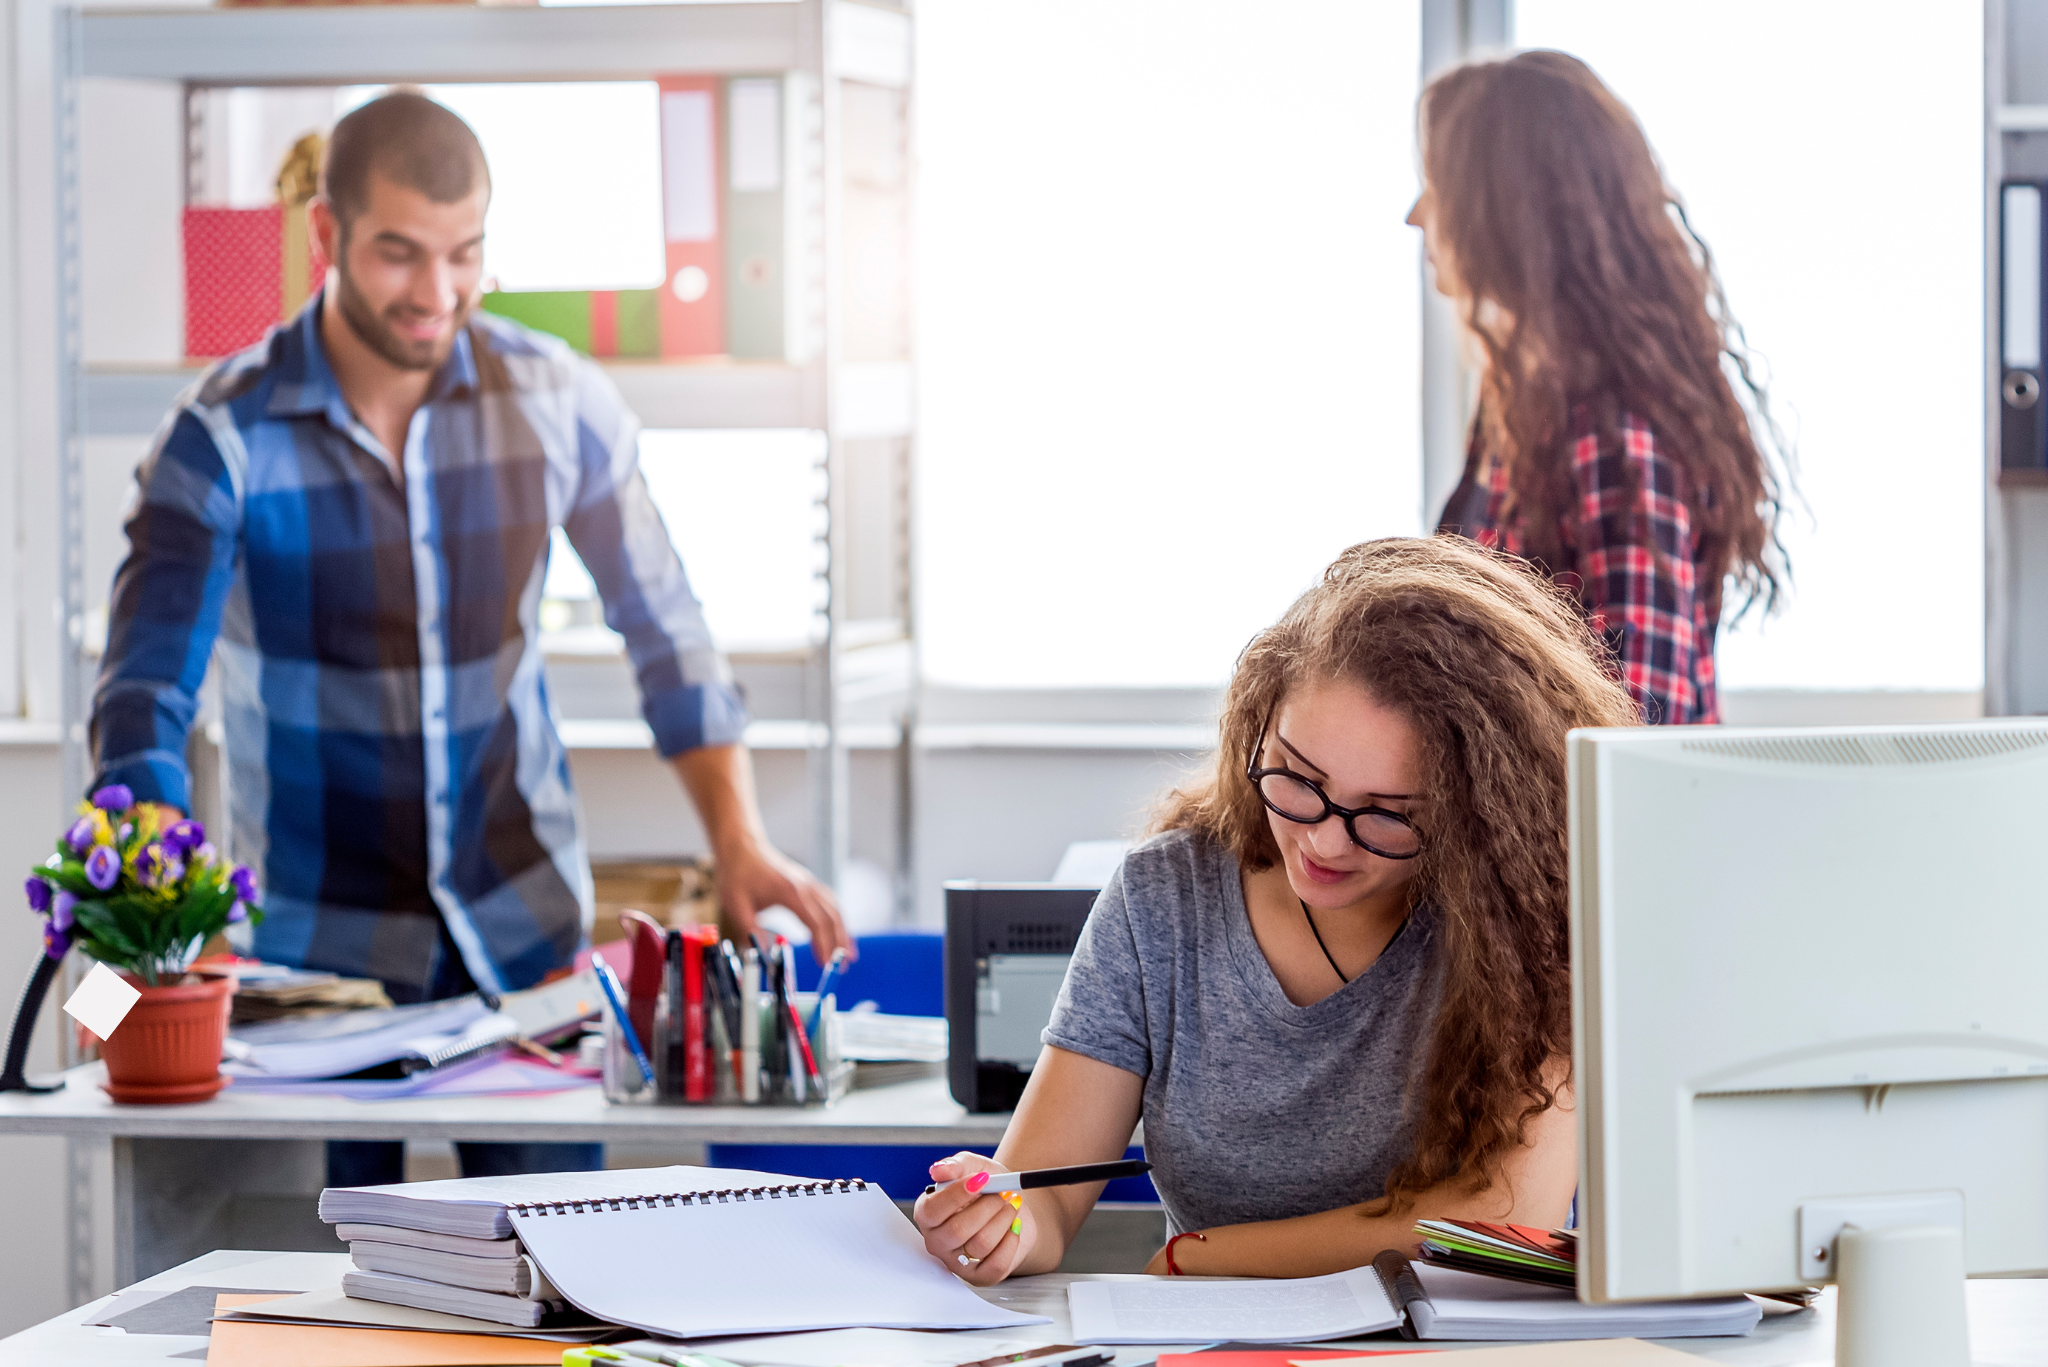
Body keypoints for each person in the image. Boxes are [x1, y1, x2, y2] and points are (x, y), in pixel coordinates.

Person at [87, 92, 846, 1184]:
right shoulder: (219, 439)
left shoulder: (556, 400)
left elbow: (666, 631)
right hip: (314, 958)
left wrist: (735, 836)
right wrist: (149, 917)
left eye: (464, 255)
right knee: (334, 1308)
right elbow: (145, 696)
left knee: (556, 1290)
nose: (435, 293)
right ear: (328, 236)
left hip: (523, 934)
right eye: (399, 254)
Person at [914, 536, 1637, 1281]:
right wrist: (999, 1221)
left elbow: (1508, 1214)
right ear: (1256, 726)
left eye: (1387, 813)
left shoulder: (1538, 920)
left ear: (1478, 816)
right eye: (1298, 777)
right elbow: (1043, 1197)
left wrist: (1203, 1254)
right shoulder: (1162, 900)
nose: (1323, 840)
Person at [1413, 50, 1792, 726]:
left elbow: (1640, 727)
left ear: (1504, 211)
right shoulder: (1515, 414)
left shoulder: (1610, 431)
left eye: (1439, 187)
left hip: (1584, 831)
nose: (1416, 216)